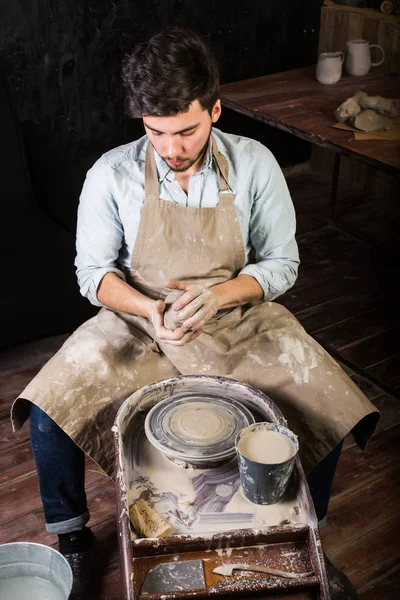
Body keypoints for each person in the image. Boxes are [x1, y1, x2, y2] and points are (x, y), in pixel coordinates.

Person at [12, 27, 378, 599]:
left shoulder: (255, 164)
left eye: (187, 130)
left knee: (327, 400)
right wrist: (148, 308)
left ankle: (312, 539)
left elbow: (282, 263)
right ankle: (75, 543)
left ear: (214, 109)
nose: (172, 148)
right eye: (156, 132)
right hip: (139, 321)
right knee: (46, 409)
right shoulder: (111, 174)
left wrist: (222, 295)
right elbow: (93, 276)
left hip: (234, 316)